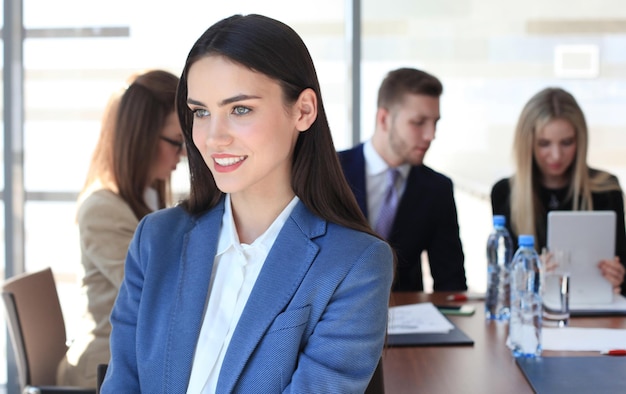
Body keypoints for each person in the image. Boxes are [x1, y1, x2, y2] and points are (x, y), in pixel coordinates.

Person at [100, 14, 394, 393]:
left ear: (303, 111)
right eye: (201, 112)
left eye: (240, 109)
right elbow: (123, 383)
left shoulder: (353, 265)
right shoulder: (155, 241)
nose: (213, 137)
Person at [57, 69, 185, 387]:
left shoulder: (149, 194)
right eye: (176, 142)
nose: (183, 155)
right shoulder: (103, 209)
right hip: (103, 367)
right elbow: (154, 297)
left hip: (133, 356)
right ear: (142, 138)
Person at [338, 67, 467, 292]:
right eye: (418, 122)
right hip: (332, 314)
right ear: (384, 119)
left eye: (435, 122)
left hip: (405, 314)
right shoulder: (331, 172)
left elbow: (451, 282)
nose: (430, 135)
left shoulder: (437, 189)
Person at [491, 87, 626, 295]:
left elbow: (621, 266)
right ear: (527, 144)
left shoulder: (606, 189)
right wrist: (530, 276)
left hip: (595, 306)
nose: (556, 155)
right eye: (544, 144)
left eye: (567, 143)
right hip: (534, 311)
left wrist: (618, 277)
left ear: (580, 141)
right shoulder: (505, 193)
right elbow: (502, 282)